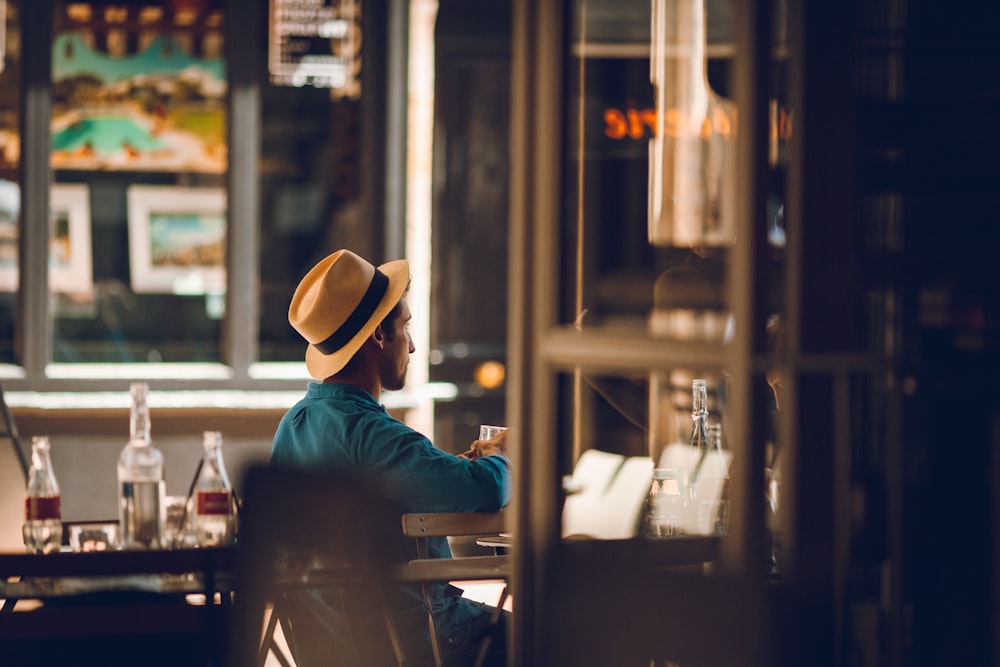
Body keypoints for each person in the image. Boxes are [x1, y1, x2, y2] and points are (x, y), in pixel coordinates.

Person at [271, 249, 512, 667]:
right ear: (379, 336)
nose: (413, 346)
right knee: (557, 637)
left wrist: (446, 467)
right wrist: (504, 458)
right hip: (420, 645)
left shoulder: (295, 425)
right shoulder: (374, 436)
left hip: (333, 650)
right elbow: (488, 489)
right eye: (405, 327)